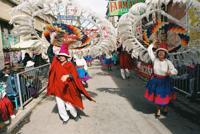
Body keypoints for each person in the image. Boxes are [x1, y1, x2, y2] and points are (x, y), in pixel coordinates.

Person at [47, 35, 95, 124]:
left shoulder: (70, 64)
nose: (61, 57)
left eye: (63, 55)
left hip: (67, 88)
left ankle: (75, 114)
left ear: (66, 57)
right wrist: (52, 42)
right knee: (60, 105)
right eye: (60, 55)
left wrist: (68, 76)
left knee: (69, 104)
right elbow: (49, 53)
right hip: (58, 88)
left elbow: (75, 76)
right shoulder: (56, 63)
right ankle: (65, 118)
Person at [144, 38, 178, 118]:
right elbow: (149, 51)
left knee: (165, 96)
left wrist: (170, 72)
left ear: (165, 54)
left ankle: (165, 107)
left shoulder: (168, 62)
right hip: (156, 81)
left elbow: (175, 71)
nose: (161, 54)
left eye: (163, 53)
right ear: (157, 53)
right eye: (159, 52)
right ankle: (158, 110)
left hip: (165, 82)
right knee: (157, 97)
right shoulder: (154, 60)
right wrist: (153, 44)